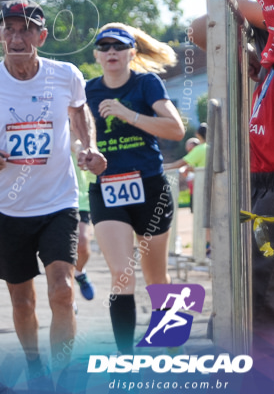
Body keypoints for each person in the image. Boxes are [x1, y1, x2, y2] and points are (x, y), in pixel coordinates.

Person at [0, 0, 106, 377]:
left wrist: (87, 145)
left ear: (41, 35)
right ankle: (35, 365)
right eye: (9, 29)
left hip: (58, 201)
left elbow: (78, 110)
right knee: (23, 301)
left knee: (62, 290)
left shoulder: (65, 74)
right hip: (8, 208)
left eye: (25, 29)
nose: (17, 37)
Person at [84, 23, 186, 355]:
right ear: (97, 55)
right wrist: (84, 152)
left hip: (150, 187)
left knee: (157, 278)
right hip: (108, 187)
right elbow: (74, 135)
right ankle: (125, 358)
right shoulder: (87, 91)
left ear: (131, 52)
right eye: (104, 46)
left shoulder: (146, 84)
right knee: (121, 272)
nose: (111, 52)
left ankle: (172, 348)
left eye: (118, 46)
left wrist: (129, 114)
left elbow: (175, 129)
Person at [232, 0, 274, 372]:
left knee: (265, 298)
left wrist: (234, 1)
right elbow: (201, 31)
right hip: (263, 178)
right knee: (260, 294)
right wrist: (252, 45)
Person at [72, 141, 97, 302]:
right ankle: (67, 297)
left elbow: (176, 131)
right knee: (61, 253)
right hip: (56, 201)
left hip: (80, 200)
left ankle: (79, 272)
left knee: (83, 242)